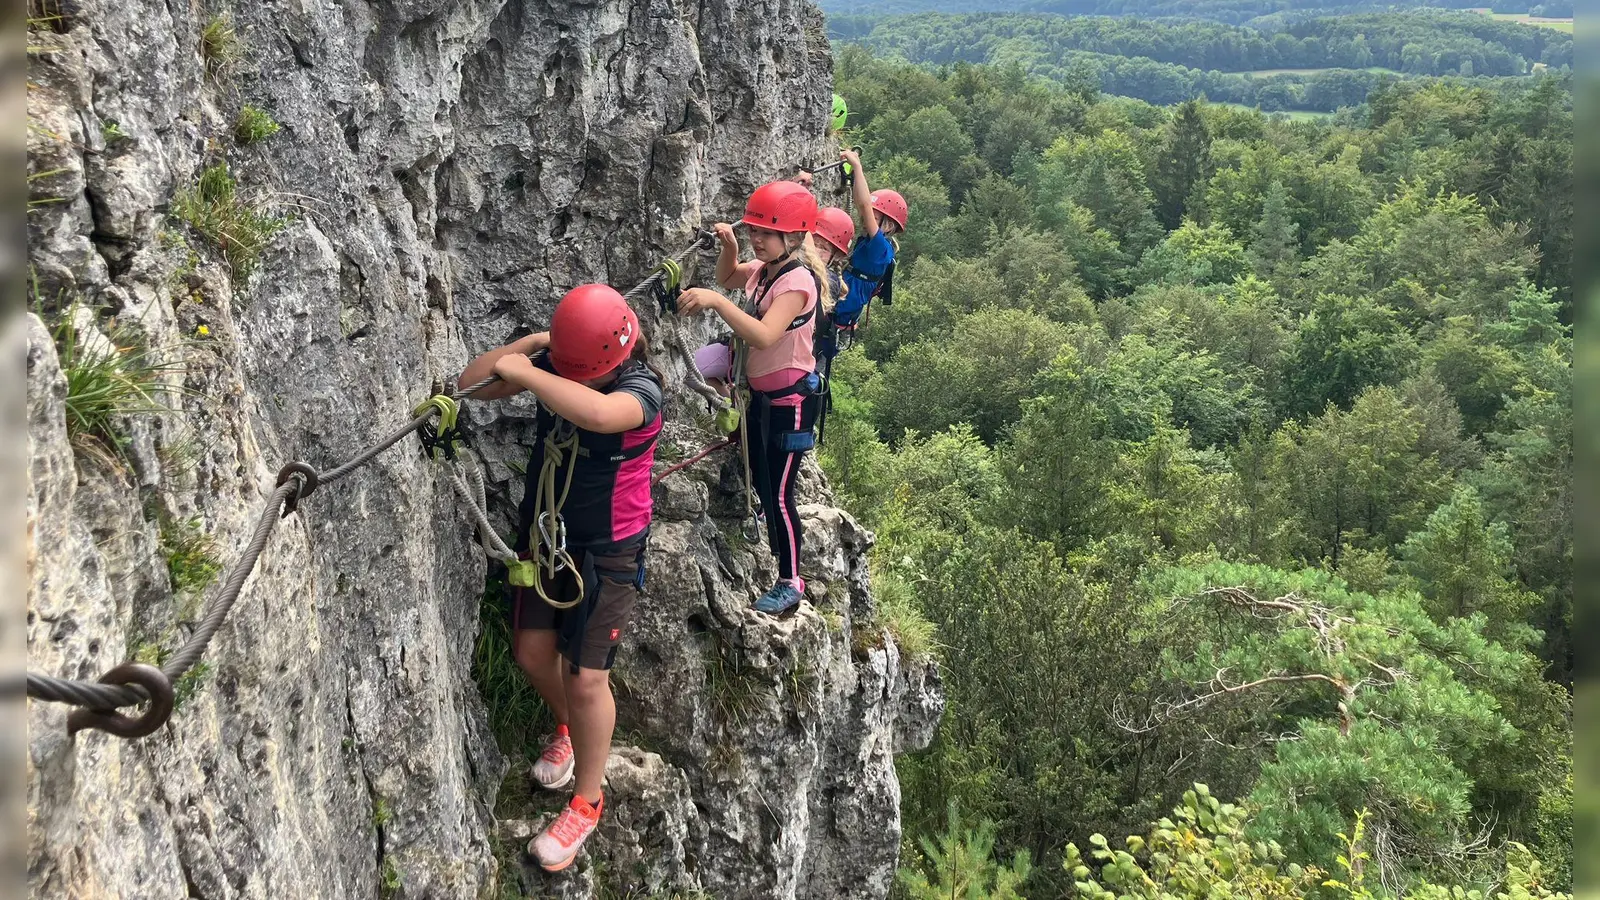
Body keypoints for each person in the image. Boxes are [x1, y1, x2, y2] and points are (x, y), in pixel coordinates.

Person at [457, 284, 663, 873]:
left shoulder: (641, 390)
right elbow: (471, 385)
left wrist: (535, 371)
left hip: (608, 551)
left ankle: (587, 802)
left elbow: (597, 413)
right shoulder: (562, 364)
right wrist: (530, 348)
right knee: (530, 651)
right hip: (547, 533)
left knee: (586, 677)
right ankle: (569, 733)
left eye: (581, 368)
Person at [679, 181, 832, 616]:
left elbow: (764, 336)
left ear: (794, 237)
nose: (757, 239)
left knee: (779, 493)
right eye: (754, 231)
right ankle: (762, 511)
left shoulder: (796, 282)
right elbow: (727, 277)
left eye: (766, 232)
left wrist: (714, 304)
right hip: (763, 397)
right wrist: (728, 246)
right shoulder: (766, 272)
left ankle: (791, 580)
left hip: (790, 406)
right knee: (760, 475)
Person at [799, 149, 907, 331]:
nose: (866, 219)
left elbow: (864, 206)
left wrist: (857, 167)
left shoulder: (880, 249)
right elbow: (861, 203)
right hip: (835, 312)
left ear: (887, 226)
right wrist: (855, 174)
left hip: (831, 318)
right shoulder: (874, 244)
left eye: (874, 216)